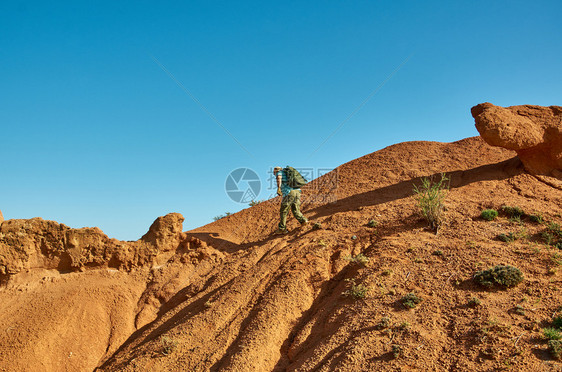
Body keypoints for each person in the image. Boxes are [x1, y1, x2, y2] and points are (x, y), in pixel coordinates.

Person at [273, 166, 308, 234]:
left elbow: (278, 178)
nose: (274, 173)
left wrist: (279, 188)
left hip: (289, 193)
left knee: (284, 211)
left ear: (275, 171)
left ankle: (282, 229)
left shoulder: (279, 173)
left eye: (274, 172)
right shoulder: (287, 173)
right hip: (297, 191)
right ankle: (303, 221)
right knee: (295, 209)